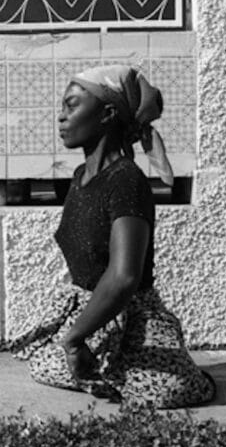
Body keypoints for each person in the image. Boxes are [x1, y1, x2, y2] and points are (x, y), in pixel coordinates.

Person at [13, 64, 215, 407]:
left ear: (108, 113)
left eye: (72, 105)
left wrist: (75, 340)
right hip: (90, 311)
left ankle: (111, 365)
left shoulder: (126, 180)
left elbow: (124, 276)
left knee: (173, 390)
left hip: (129, 314)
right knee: (46, 366)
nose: (61, 117)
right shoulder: (81, 177)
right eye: (63, 106)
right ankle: (100, 366)